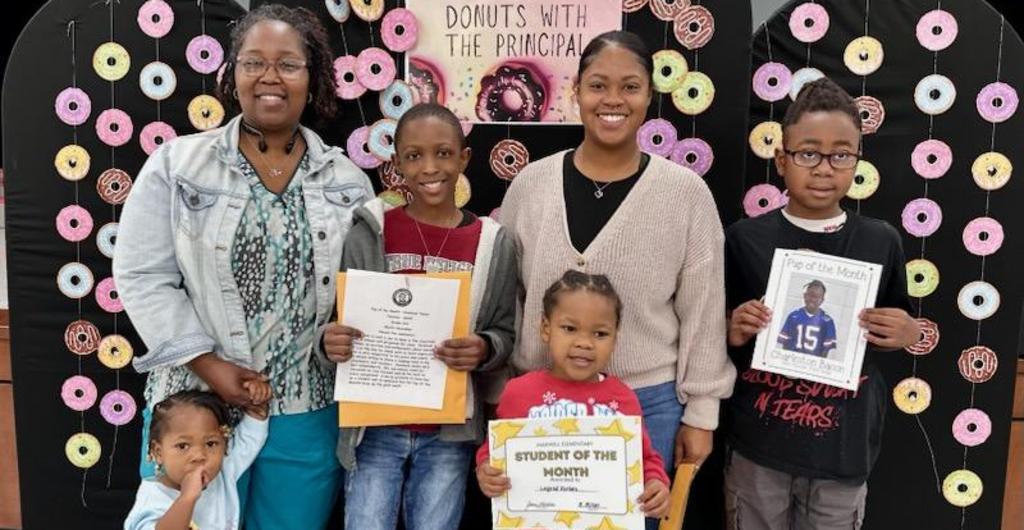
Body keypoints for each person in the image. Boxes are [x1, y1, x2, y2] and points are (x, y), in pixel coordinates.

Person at [113, 5, 374, 529]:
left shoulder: (348, 183)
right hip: (193, 412)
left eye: (289, 64)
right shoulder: (177, 165)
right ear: (231, 74)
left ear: (314, 76)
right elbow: (142, 276)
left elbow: (362, 296)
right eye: (253, 62)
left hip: (306, 407)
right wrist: (211, 367)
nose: (270, 77)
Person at [498, 31, 736, 526]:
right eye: (597, 85)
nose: (612, 100)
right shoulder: (531, 186)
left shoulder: (686, 195)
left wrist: (702, 413)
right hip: (539, 403)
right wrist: (501, 395)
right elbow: (508, 298)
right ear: (576, 93)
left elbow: (704, 310)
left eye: (630, 87)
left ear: (650, 95)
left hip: (646, 408)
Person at [723, 77, 921, 530]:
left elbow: (899, 321)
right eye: (808, 153)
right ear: (782, 160)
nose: (824, 168)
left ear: (856, 162)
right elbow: (716, 332)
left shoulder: (880, 240)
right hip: (760, 445)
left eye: (841, 155)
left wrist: (906, 331)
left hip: (843, 449)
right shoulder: (744, 239)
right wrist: (732, 328)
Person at [321, 103, 517, 530]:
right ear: (396, 165)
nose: (430, 167)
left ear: (464, 158)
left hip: (448, 432)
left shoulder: (492, 243)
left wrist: (484, 348)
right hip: (374, 429)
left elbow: (505, 331)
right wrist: (328, 342)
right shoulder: (368, 232)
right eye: (414, 156)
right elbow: (337, 323)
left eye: (444, 153)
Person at [476, 270, 671, 520]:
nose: (584, 343)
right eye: (569, 328)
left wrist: (656, 483)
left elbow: (643, 459)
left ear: (615, 338)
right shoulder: (519, 392)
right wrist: (486, 470)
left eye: (600, 334)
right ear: (546, 329)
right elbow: (494, 451)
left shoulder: (622, 398)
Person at [124, 388, 270, 530]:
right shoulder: (153, 497)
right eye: (183, 446)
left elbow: (248, 441)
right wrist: (186, 499)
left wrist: (257, 405)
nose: (199, 456)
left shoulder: (223, 473)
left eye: (211, 444)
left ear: (224, 446)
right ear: (158, 452)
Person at [776, 279, 838, 358]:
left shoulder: (827, 321)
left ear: (822, 300)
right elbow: (785, 343)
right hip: (791, 361)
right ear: (804, 296)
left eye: (816, 296)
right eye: (810, 295)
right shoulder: (793, 316)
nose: (812, 299)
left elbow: (826, 350)